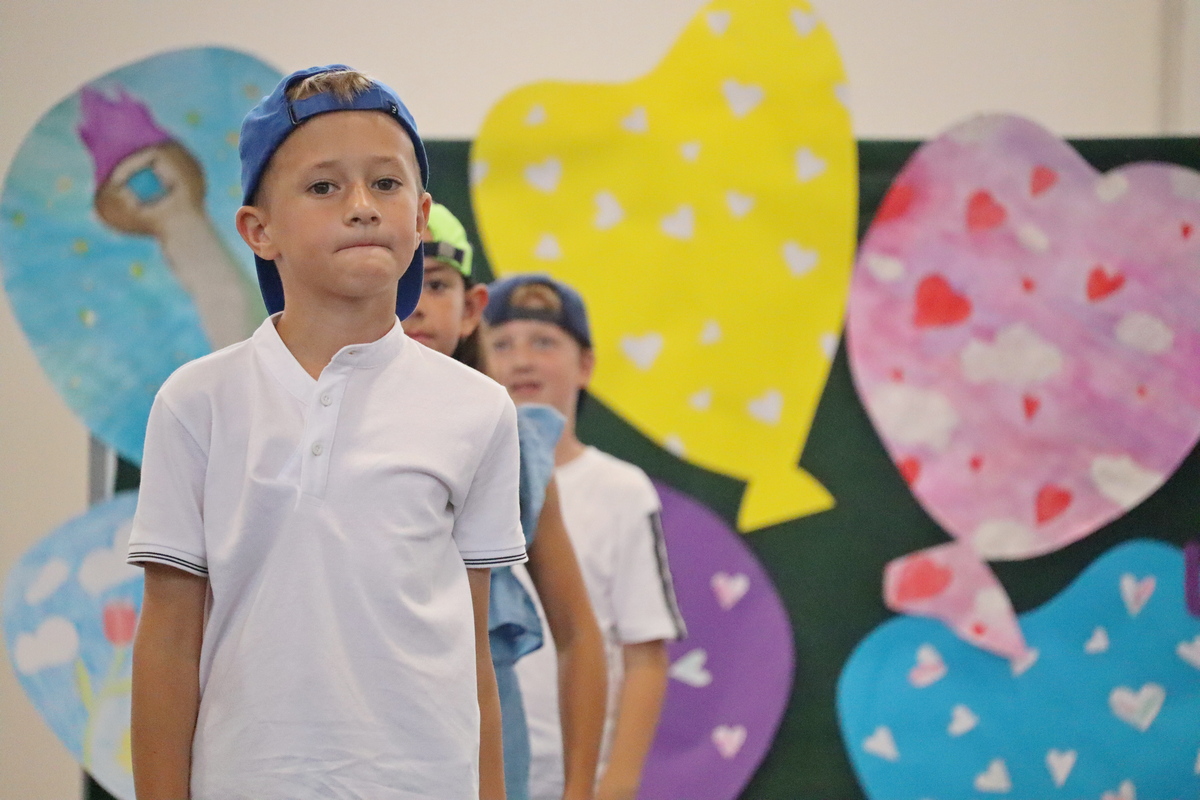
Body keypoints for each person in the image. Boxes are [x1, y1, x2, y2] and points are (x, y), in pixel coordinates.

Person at [126, 65, 523, 800]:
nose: (363, 208)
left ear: (420, 215)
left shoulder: (479, 409)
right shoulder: (197, 402)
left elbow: (475, 655)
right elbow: (168, 644)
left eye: (386, 183)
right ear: (259, 230)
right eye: (323, 187)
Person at [401, 204, 606, 800]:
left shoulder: (511, 441)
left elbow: (578, 634)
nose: (415, 305)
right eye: (398, 285)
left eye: (435, 284)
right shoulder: (312, 433)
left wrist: (580, 791)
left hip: (489, 750)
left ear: (472, 309)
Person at [483, 275, 687, 800]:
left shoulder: (621, 490)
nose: (521, 361)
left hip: (571, 780)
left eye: (544, 342)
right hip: (476, 770)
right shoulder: (465, 476)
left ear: (586, 366)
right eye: (501, 345)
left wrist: (613, 783)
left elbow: (644, 653)